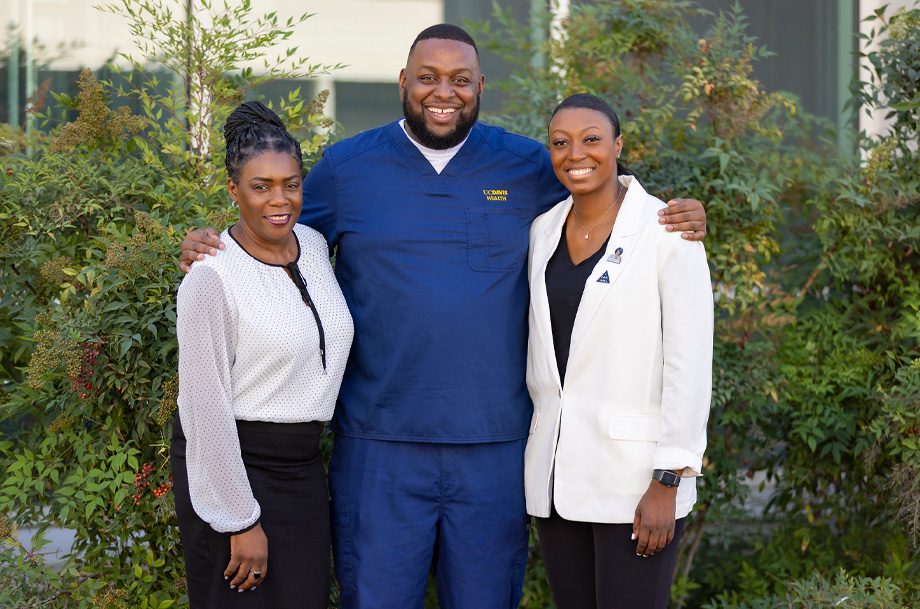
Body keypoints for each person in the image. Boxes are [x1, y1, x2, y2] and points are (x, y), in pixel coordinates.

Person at [180, 25, 707, 609]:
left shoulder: (528, 166)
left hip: (494, 446)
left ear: (480, 86)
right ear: (404, 82)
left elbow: (599, 196)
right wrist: (212, 244)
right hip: (379, 445)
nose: (443, 92)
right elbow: (275, 230)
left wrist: (673, 215)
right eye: (427, 77)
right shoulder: (348, 168)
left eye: (459, 80)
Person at [523, 93, 713, 609]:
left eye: (591, 139)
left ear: (618, 145)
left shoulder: (668, 230)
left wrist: (668, 479)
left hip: (637, 484)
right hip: (558, 478)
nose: (575, 153)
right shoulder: (543, 231)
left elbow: (690, 364)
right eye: (560, 143)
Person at [171, 101, 353, 609]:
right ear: (234, 191)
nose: (280, 199)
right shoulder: (211, 276)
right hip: (234, 467)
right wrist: (240, 521)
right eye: (261, 186)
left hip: (301, 467)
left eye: (291, 184)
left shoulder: (315, 246)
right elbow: (204, 409)